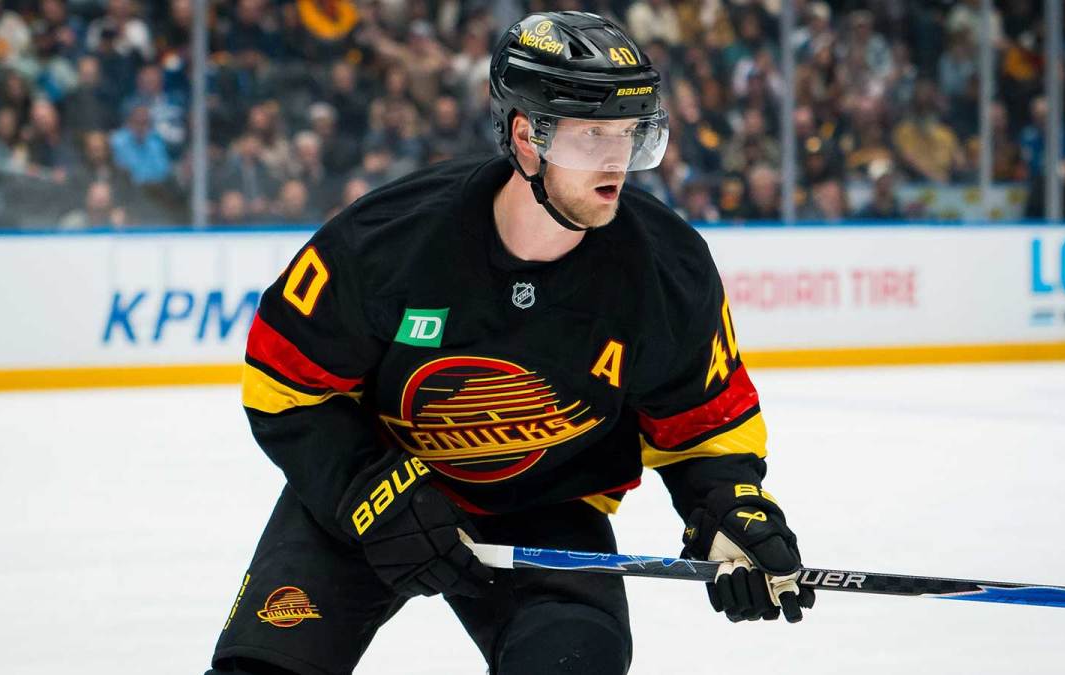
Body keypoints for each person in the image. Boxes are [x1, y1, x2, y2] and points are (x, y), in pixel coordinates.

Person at [207, 12, 814, 675]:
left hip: (544, 513)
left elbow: (705, 425)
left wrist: (729, 511)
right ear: (527, 138)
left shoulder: (665, 268)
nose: (616, 161)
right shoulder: (389, 242)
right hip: (374, 489)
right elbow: (282, 386)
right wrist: (371, 496)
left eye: (629, 135)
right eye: (591, 138)